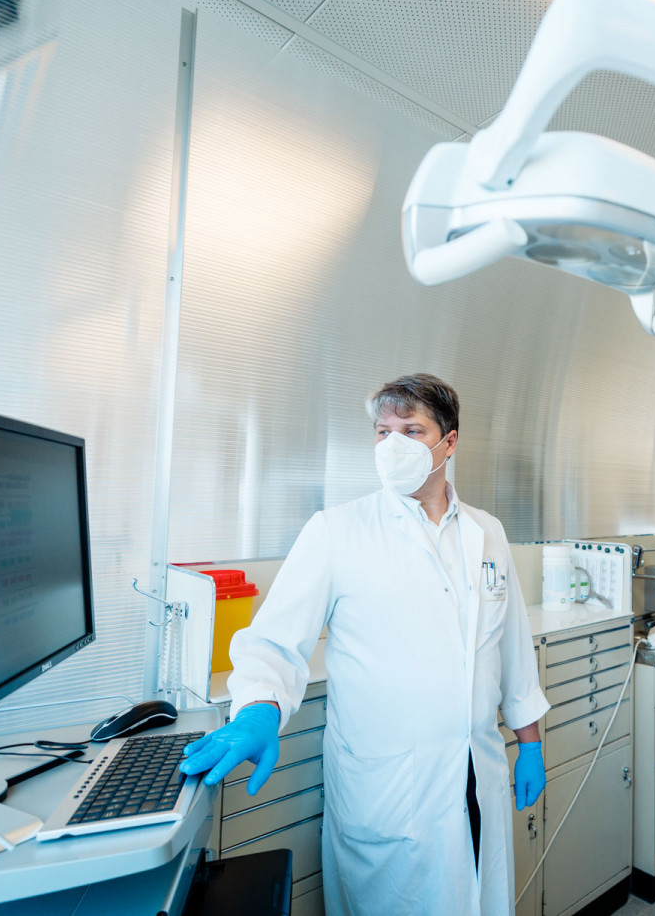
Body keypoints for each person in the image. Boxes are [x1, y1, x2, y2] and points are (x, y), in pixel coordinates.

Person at [179, 374, 550, 916]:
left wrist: (531, 743)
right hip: (389, 789)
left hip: (476, 774)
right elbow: (274, 643)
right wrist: (258, 710)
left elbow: (512, 651)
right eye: (383, 431)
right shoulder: (337, 530)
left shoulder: (486, 532)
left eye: (412, 430)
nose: (393, 445)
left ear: (449, 443)